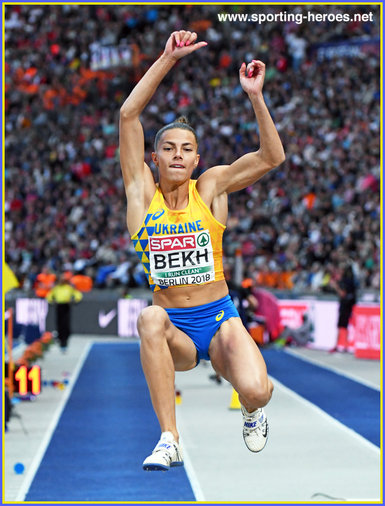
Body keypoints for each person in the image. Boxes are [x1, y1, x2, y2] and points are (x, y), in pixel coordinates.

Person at [119, 30, 285, 471]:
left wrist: (255, 97)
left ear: (196, 160)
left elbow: (272, 158)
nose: (177, 155)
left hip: (219, 319)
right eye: (168, 149)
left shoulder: (209, 187)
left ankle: (251, 410)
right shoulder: (141, 196)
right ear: (153, 158)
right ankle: (169, 438)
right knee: (149, 317)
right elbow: (128, 115)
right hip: (175, 329)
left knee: (258, 390)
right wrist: (167, 59)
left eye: (186, 149)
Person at [46, 273, 83, 352]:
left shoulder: (69, 288)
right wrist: (52, 301)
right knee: (59, 323)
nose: (62, 281)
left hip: (66, 306)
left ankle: (65, 341)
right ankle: (60, 339)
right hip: (59, 306)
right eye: (60, 279)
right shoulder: (56, 288)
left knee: (65, 324)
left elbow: (78, 295)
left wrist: (74, 300)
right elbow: (49, 296)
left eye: (63, 279)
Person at [329, 263, 358, 353]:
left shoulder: (345, 282)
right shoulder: (348, 281)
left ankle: (339, 345)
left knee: (342, 325)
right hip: (346, 305)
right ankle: (343, 345)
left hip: (345, 306)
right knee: (343, 326)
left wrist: (335, 287)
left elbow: (342, 294)